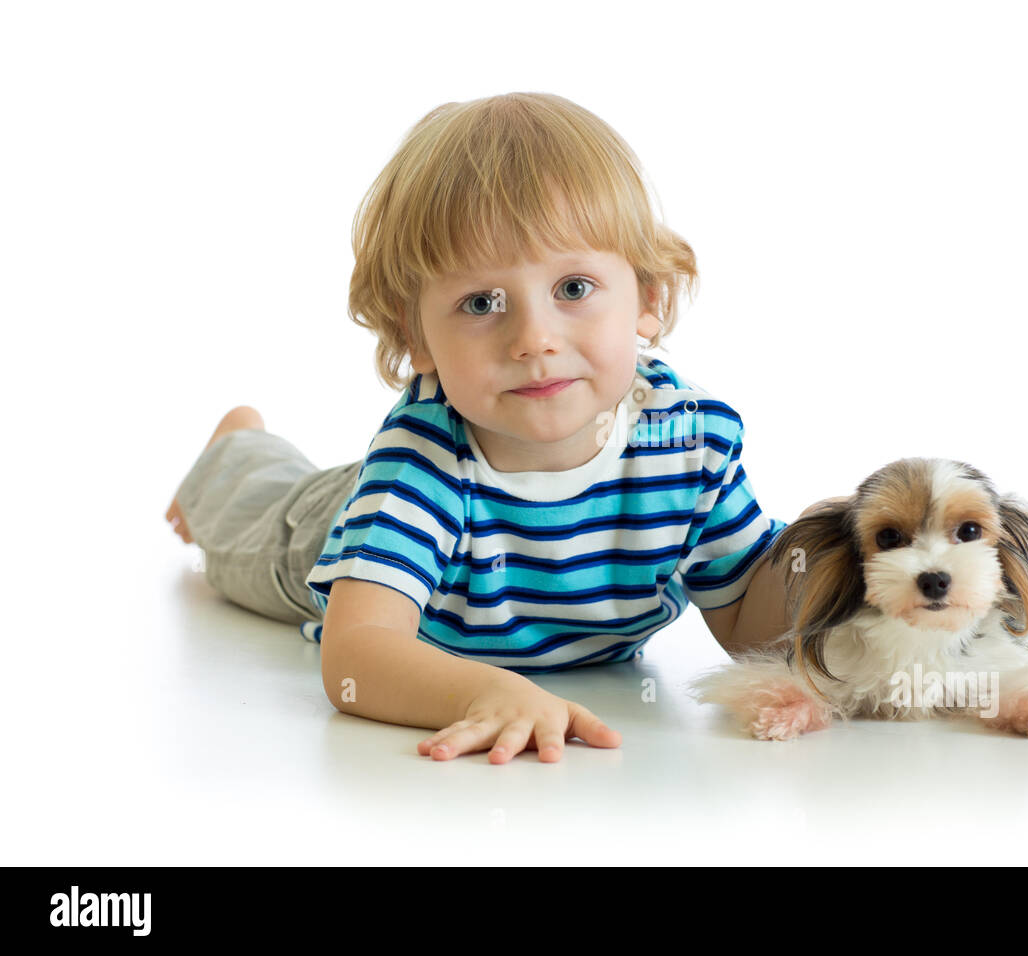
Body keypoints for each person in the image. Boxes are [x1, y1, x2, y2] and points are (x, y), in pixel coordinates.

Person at [166, 92, 820, 764]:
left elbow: (749, 620)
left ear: (648, 299)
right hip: (318, 533)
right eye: (481, 302)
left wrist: (827, 564)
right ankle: (235, 448)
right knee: (246, 517)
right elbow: (356, 655)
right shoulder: (424, 465)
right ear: (413, 335)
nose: (534, 339)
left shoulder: (686, 444)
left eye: (573, 288)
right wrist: (486, 693)